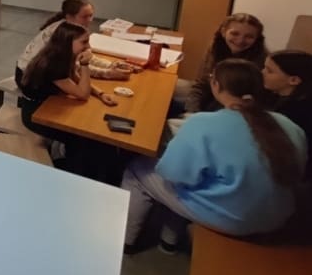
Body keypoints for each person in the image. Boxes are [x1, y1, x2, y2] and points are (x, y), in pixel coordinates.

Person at [122, 59, 306, 253]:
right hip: (277, 215)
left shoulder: (204, 123)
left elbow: (172, 174)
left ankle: (125, 242)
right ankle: (169, 240)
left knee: (139, 170)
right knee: (199, 178)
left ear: (216, 85)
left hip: (236, 219)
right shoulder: (288, 124)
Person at [19, 22, 121, 183]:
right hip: (35, 112)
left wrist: (100, 93)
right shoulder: (53, 64)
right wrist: (85, 64)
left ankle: (88, 171)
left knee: (91, 137)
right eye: (84, 42)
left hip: (50, 104)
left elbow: (76, 79)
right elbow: (82, 94)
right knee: (81, 139)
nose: (88, 47)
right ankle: (74, 175)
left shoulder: (64, 56)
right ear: (68, 42)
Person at [15, 0, 133, 86]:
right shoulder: (63, 34)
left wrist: (110, 65)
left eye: (91, 15)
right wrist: (107, 73)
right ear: (69, 17)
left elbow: (84, 55)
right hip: (28, 77)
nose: (90, 20)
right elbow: (74, 68)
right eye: (84, 17)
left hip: (40, 72)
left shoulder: (74, 29)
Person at [185, 13, 268, 114]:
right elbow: (200, 85)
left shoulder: (261, 63)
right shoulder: (215, 49)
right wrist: (192, 112)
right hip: (208, 101)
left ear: (257, 39)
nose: (240, 41)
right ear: (223, 32)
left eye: (249, 37)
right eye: (235, 34)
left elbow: (243, 103)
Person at [263, 50, 312, 179]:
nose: (262, 73)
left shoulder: (297, 112)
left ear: (294, 80)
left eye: (269, 71)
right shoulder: (274, 96)